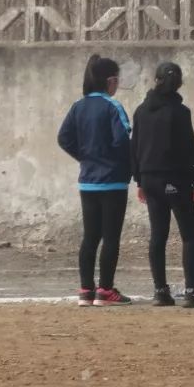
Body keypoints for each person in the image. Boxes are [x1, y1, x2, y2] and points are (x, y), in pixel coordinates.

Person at [131, 62, 194, 307]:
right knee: (189, 235)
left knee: (158, 234)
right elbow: (189, 148)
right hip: (176, 179)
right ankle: (191, 290)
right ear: (178, 84)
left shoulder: (141, 110)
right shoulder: (180, 112)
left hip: (149, 178)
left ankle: (160, 290)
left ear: (155, 80)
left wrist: (139, 180)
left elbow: (134, 147)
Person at [58, 55, 132, 306]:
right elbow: (122, 140)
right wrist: (122, 164)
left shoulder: (78, 106)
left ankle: (86, 290)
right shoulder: (113, 107)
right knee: (111, 237)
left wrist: (85, 157)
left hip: (87, 182)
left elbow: (64, 138)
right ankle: (106, 289)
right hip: (112, 182)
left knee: (90, 237)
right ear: (111, 81)